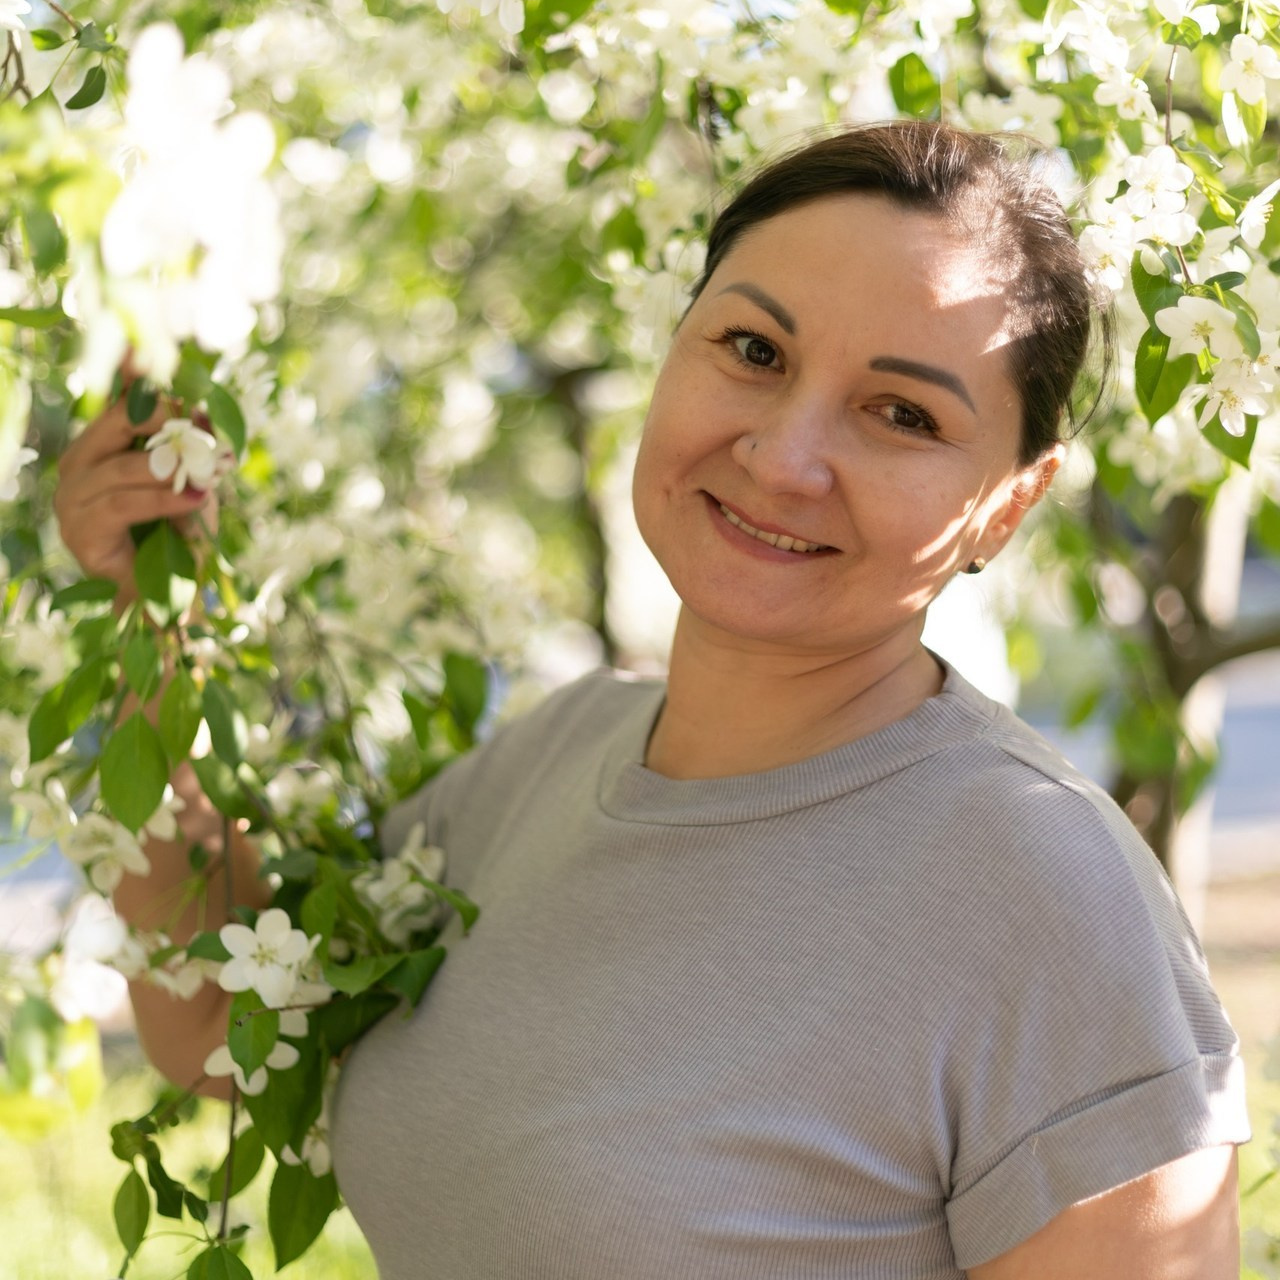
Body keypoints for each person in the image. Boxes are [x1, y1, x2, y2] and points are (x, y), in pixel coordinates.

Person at [56, 120, 1249, 1279]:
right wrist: (147, 621)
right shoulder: (550, 758)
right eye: (753, 351)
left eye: (902, 414)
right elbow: (223, 1029)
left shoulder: (1044, 895)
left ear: (1006, 504)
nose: (784, 457)